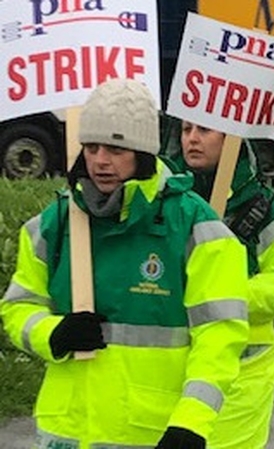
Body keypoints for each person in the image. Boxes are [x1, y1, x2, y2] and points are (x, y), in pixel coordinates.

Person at [0, 79, 250, 448]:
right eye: (92, 147)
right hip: (66, 433)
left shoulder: (195, 227)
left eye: (117, 148)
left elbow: (220, 335)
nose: (101, 160)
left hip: (152, 433)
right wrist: (52, 333)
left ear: (143, 152)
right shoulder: (51, 226)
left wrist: (192, 421)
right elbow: (19, 307)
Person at [163, 120, 274, 448]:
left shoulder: (266, 208)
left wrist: (224, 296)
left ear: (231, 138)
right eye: (186, 130)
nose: (192, 140)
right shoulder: (167, 202)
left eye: (204, 130)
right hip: (173, 370)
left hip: (243, 374)